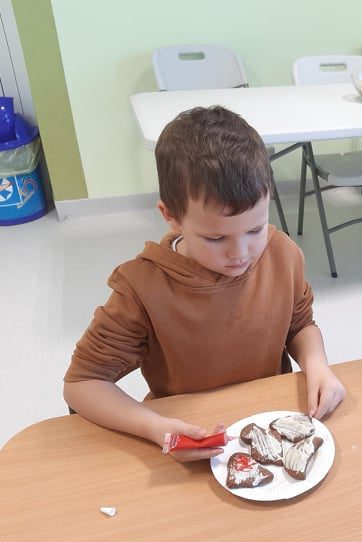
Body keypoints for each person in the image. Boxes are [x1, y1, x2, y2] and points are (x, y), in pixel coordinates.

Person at [64, 106, 345, 461]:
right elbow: (81, 384)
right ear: (171, 216)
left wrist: (317, 364)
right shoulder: (141, 288)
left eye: (255, 229)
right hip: (191, 434)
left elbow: (300, 325)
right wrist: (154, 427)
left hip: (268, 429)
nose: (240, 253)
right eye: (215, 238)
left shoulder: (282, 254)